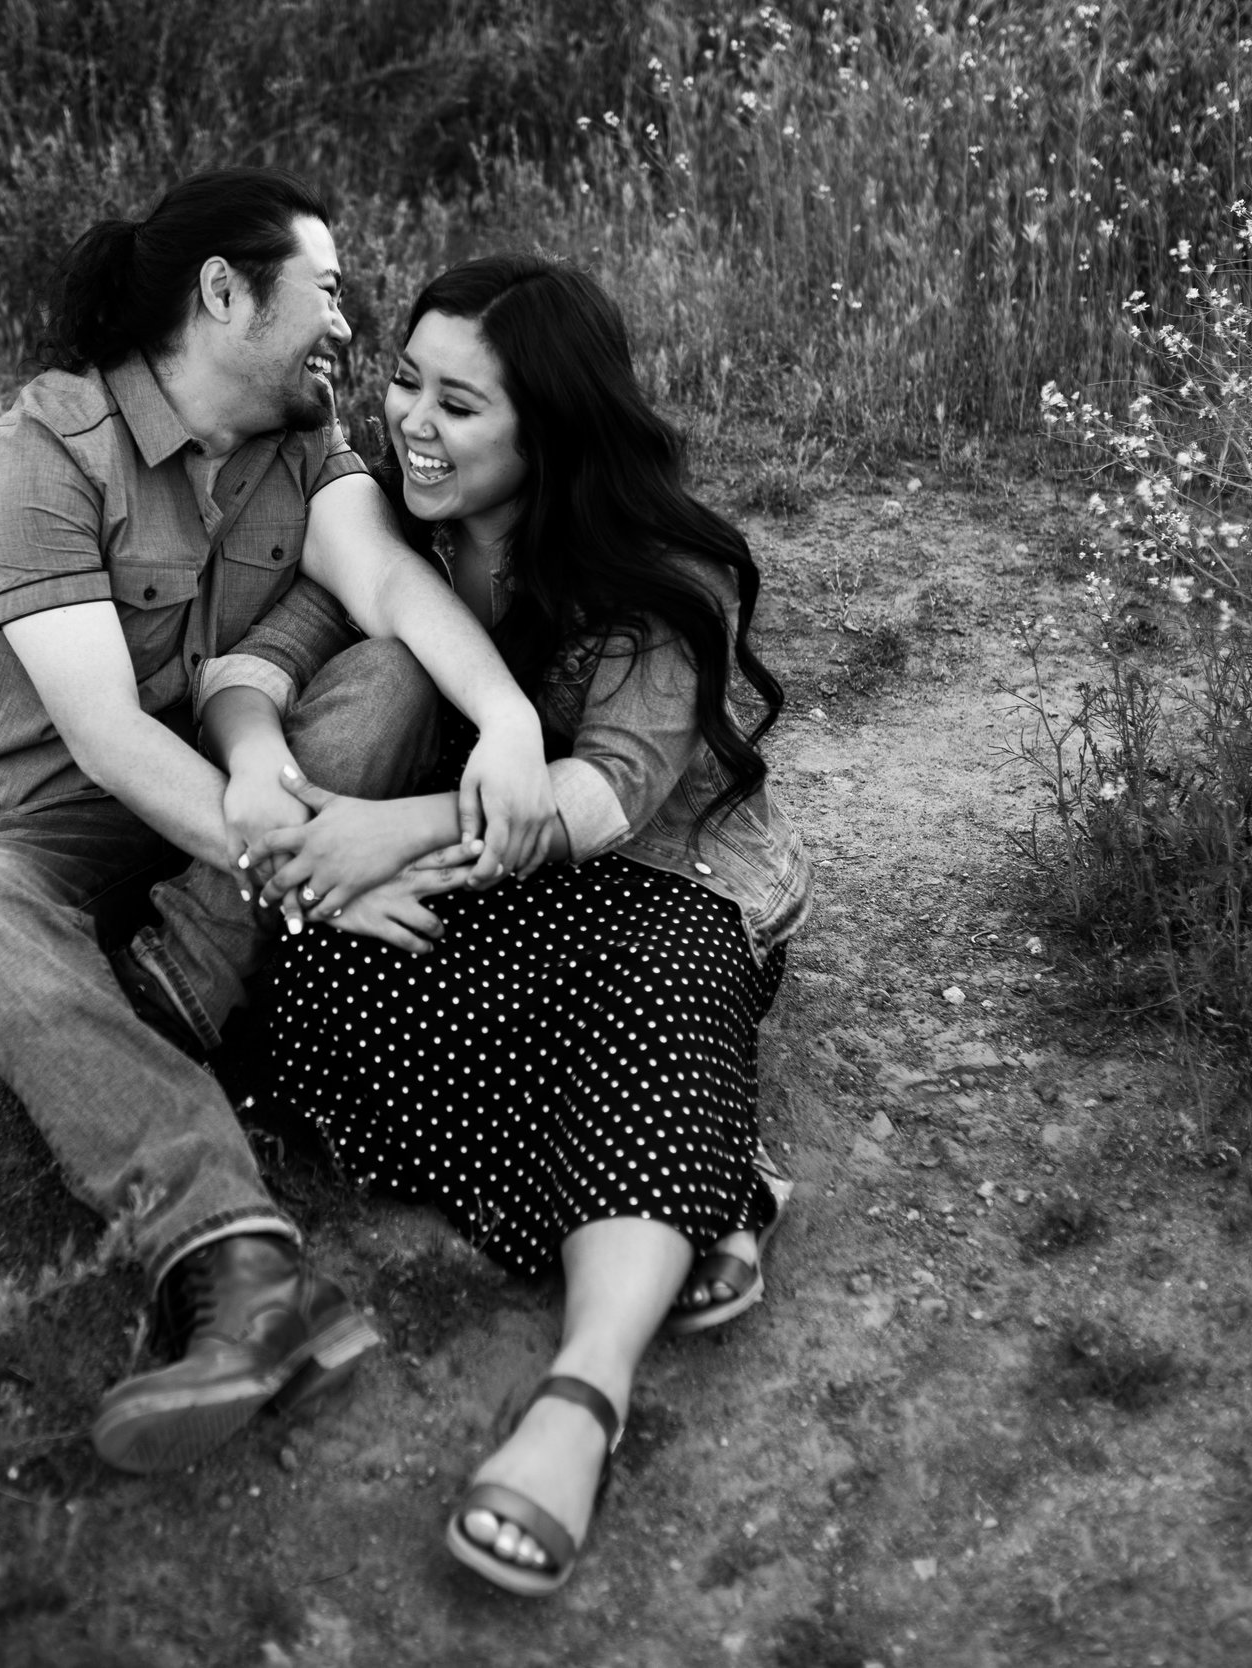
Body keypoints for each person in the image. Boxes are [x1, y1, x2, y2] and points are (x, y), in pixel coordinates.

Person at [0, 170, 557, 1476]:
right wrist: (316, 873)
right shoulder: (49, 443)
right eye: (323, 289)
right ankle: (244, 1270)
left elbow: (388, 589)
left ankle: (155, 1014)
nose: (344, 319)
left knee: (399, 675)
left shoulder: (307, 445)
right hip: (49, 836)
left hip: (234, 833)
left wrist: (512, 726)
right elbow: (106, 738)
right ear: (221, 293)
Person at [217, 254, 812, 1595]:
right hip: (499, 901)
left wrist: (390, 832)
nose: (413, 422)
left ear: (548, 427)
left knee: (653, 984)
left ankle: (579, 1397)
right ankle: (710, 1186)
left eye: (461, 405)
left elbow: (603, 804)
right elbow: (262, 662)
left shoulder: (656, 580)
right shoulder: (406, 545)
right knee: (320, 982)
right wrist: (258, 756)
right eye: (405, 383)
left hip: (667, 897)